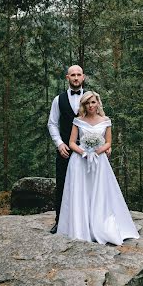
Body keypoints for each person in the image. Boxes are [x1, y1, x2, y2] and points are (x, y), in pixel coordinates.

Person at [57, 91, 139, 245]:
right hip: (80, 162)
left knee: (99, 192)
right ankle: (80, 228)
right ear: (83, 105)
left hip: (99, 161)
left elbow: (108, 142)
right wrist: (84, 153)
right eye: (87, 103)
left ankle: (100, 225)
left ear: (98, 103)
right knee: (81, 192)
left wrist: (96, 152)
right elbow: (72, 142)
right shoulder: (78, 121)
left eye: (93, 102)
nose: (90, 106)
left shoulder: (106, 121)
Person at [47, 65, 86, 234]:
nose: (76, 78)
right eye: (72, 75)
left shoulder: (91, 98)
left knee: (88, 185)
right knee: (63, 185)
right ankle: (59, 221)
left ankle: (87, 223)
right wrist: (59, 143)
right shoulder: (58, 100)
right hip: (65, 151)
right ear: (67, 78)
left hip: (87, 151)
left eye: (78, 75)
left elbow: (100, 121)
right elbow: (52, 124)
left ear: (83, 77)